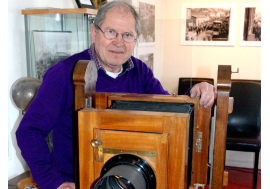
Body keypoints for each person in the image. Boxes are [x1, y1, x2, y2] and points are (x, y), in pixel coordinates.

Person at [16, 1, 216, 189]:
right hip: (80, 181)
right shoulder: (64, 73)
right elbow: (29, 131)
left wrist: (194, 93)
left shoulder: (141, 71)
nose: (119, 42)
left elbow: (166, 113)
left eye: (127, 35)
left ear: (135, 39)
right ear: (94, 33)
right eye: (111, 32)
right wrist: (54, 182)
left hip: (133, 179)